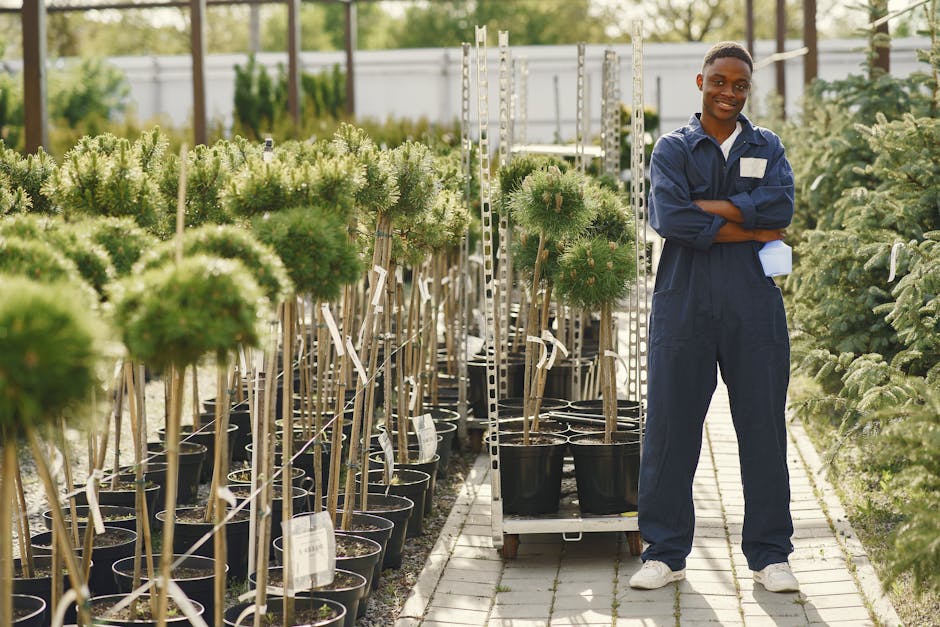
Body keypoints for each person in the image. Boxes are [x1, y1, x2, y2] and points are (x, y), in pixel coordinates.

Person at [629, 41, 799, 593]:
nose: (730, 92)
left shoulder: (766, 145)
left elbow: (783, 210)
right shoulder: (673, 149)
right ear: (700, 83)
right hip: (684, 298)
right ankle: (664, 553)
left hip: (753, 300)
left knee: (762, 429)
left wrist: (714, 211)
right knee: (672, 428)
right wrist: (750, 227)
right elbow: (670, 217)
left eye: (740, 84)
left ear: (749, 89)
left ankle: (770, 556)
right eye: (720, 81)